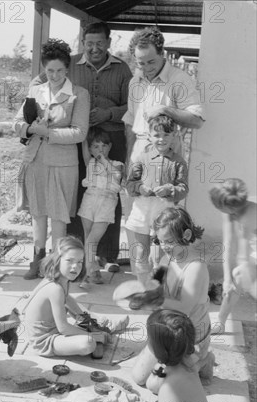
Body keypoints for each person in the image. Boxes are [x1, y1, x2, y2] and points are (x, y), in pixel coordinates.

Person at [33, 22, 132, 272]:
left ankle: (106, 255)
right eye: (89, 43)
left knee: (109, 194)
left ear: (109, 43)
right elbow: (41, 82)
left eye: (99, 43)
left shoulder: (122, 69)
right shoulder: (69, 65)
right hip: (77, 142)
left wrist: (109, 113)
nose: (94, 48)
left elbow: (131, 105)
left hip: (111, 139)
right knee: (77, 195)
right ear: (82, 42)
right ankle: (75, 253)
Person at [13, 39, 90, 280]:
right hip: (36, 161)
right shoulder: (35, 91)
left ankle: (56, 265)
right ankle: (37, 258)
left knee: (58, 216)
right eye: (49, 70)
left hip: (63, 164)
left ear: (67, 69)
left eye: (59, 70)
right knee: (37, 212)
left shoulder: (79, 94)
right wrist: (28, 129)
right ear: (44, 70)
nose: (54, 75)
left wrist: (48, 132)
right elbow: (18, 123)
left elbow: (80, 132)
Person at [122, 26, 204, 221]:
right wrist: (128, 161)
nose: (146, 67)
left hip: (167, 156)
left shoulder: (180, 80)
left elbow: (197, 121)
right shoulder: (135, 82)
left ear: (162, 53)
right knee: (136, 220)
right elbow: (130, 123)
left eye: (151, 61)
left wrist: (166, 110)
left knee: (165, 223)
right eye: (140, 63)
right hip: (139, 156)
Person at [127, 207, 214, 387]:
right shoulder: (168, 258)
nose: (164, 246)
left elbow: (183, 309)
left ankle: (203, 360)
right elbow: (155, 283)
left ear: (187, 234)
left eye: (169, 241)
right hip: (167, 331)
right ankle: (179, 364)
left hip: (190, 337)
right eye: (160, 241)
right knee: (138, 377)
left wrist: (153, 300)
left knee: (154, 386)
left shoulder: (196, 267)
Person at [24, 236, 128, 357]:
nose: (75, 266)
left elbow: (68, 302)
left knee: (70, 301)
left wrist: (85, 319)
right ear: (57, 260)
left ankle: (97, 323)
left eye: (79, 262)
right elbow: (63, 328)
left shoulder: (62, 281)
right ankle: (97, 328)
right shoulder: (54, 288)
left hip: (56, 331)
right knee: (88, 343)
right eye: (70, 261)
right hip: (46, 341)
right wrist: (92, 336)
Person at [125, 115, 188, 283]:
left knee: (160, 254)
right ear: (149, 136)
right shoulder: (141, 158)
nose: (161, 139)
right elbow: (130, 184)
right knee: (141, 252)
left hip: (163, 210)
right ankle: (142, 288)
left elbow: (183, 189)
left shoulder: (178, 162)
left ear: (174, 135)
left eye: (166, 135)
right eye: (157, 135)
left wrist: (170, 189)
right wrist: (140, 188)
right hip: (142, 209)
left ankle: (160, 288)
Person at [78, 128, 125, 286]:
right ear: (90, 149)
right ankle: (92, 270)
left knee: (93, 239)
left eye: (104, 146)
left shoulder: (117, 164)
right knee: (87, 237)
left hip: (106, 204)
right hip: (89, 201)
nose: (100, 150)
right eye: (96, 147)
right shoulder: (90, 162)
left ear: (110, 147)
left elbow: (116, 175)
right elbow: (84, 145)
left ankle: (87, 272)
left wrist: (103, 160)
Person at [209, 178, 257, 333]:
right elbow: (227, 244)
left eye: (228, 211)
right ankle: (220, 322)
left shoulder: (251, 211)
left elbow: (243, 254)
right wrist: (226, 280)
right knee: (233, 282)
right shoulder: (228, 208)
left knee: (240, 275)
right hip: (253, 251)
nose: (226, 214)